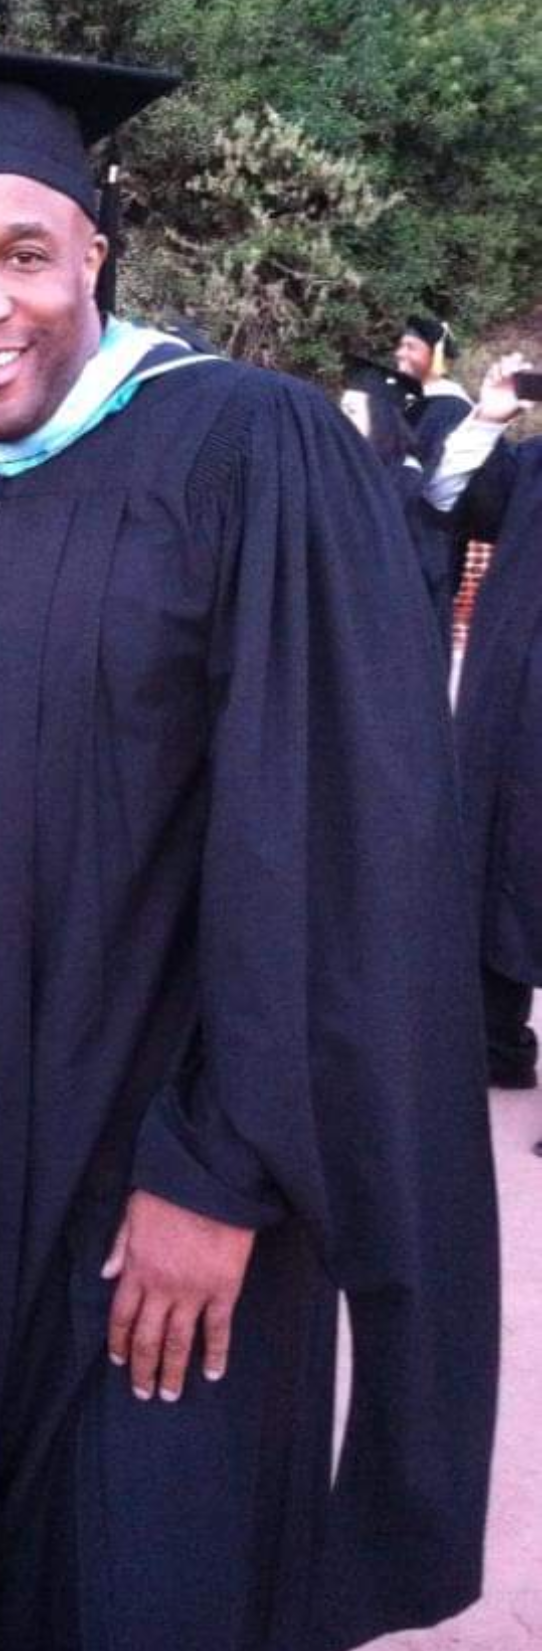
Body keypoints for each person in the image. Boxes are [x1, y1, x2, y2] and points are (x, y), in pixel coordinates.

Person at [0, 41, 498, 1651]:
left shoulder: (249, 450)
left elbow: (337, 836)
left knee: (146, 1596)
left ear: (96, 251)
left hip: (166, 1165)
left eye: (23, 255)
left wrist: (229, 1168)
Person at [425, 353, 541, 1090]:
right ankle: (497, 1048)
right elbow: (445, 496)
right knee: (495, 861)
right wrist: (493, 413)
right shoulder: (531, 467)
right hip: (506, 708)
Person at [336, 355, 455, 650]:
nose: (339, 423)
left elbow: (428, 582)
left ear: (380, 419)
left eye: (350, 412)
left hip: (389, 641)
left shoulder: (411, 487)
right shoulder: (349, 476)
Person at [393, 312, 473, 466]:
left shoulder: (450, 406)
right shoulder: (406, 398)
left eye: (411, 347)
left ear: (435, 356)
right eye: (401, 346)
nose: (399, 353)